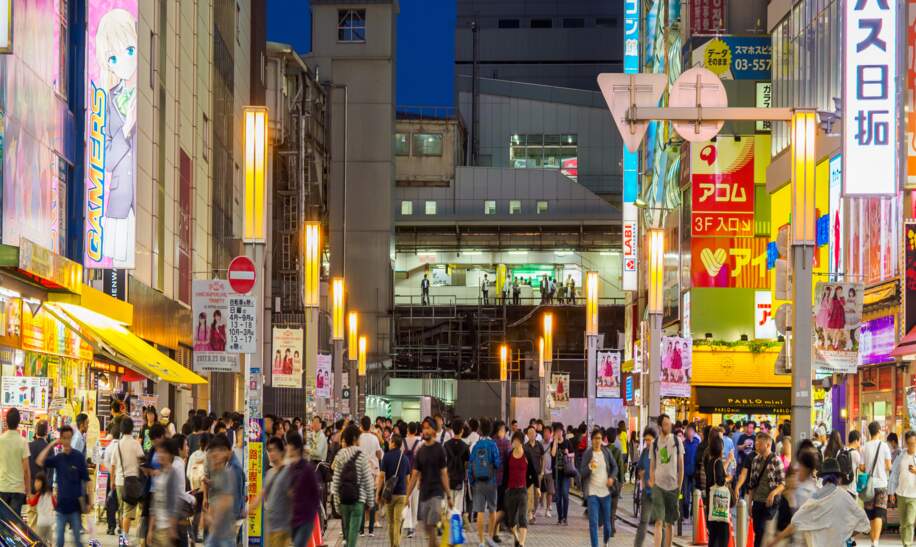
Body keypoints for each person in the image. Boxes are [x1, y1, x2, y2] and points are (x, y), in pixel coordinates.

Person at [765, 457, 870, 547]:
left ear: (823, 478)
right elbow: (864, 522)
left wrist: (775, 541)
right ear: (839, 479)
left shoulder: (815, 498)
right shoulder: (845, 496)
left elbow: (796, 522)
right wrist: (844, 534)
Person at [37, 425, 89, 547]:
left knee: (78, 541)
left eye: (69, 438)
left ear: (72, 438)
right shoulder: (58, 458)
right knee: (59, 541)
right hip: (61, 508)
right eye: (64, 438)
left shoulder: (78, 457)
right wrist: (52, 444)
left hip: (75, 508)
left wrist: (88, 501)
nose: (67, 441)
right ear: (61, 439)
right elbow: (39, 461)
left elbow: (86, 479)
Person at [406, 418, 451, 547]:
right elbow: (414, 475)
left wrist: (448, 495)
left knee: (431, 527)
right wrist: (407, 495)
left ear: (434, 430)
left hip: (436, 493)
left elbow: (444, 473)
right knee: (427, 528)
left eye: (428, 428)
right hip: (424, 494)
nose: (425, 431)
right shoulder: (420, 451)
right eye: (423, 428)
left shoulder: (439, 449)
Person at [332, 424, 375, 547]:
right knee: (353, 532)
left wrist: (336, 502)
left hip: (343, 499)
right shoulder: (361, 455)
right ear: (355, 438)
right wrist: (371, 502)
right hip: (358, 500)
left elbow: (336, 480)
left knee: (347, 530)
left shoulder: (340, 454)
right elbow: (368, 480)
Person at [578, 429, 617, 547]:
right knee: (593, 523)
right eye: (595, 438)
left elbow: (615, 467)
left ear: (602, 440)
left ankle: (605, 542)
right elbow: (582, 473)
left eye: (599, 438)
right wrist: (589, 466)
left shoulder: (606, 452)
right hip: (592, 494)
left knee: (607, 525)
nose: (597, 441)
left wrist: (611, 478)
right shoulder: (587, 454)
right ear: (591, 440)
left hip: (606, 493)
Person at [649, 414, 683, 547]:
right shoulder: (655, 443)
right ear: (660, 426)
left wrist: (679, 486)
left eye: (670, 424)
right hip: (658, 486)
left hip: (673, 486)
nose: (668, 426)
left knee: (669, 523)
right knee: (658, 521)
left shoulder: (676, 441)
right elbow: (652, 465)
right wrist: (652, 482)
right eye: (666, 424)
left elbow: (681, 466)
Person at [746, 432, 785, 547]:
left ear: (768, 445)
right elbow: (752, 484)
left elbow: (783, 483)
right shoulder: (755, 460)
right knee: (758, 532)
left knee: (765, 533)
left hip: (770, 504)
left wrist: (773, 493)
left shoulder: (776, 460)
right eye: (756, 443)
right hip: (757, 502)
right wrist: (749, 503)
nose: (756, 445)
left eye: (759, 443)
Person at [111, 417, 144, 545]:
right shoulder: (136, 444)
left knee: (122, 510)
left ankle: (123, 537)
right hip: (132, 481)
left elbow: (113, 465)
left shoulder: (118, 444)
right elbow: (142, 461)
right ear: (131, 428)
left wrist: (112, 481)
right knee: (128, 512)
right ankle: (123, 540)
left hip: (120, 481)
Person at [469, 418, 501, 547]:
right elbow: (498, 463)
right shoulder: (493, 445)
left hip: (478, 483)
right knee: (492, 510)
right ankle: (490, 538)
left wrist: (472, 481)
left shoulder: (476, 446)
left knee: (480, 512)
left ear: (480, 430)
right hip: (491, 481)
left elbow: (471, 465)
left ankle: (481, 541)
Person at [861, 421, 893, 546]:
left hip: (868, 486)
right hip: (881, 484)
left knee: (870, 514)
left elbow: (862, 467)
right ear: (879, 431)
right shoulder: (884, 446)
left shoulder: (865, 447)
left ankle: (872, 540)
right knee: (879, 513)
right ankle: (876, 541)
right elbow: (889, 466)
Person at [502, 431, 537, 547]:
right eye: (513, 440)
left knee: (523, 517)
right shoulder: (509, 455)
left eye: (517, 440)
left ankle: (522, 543)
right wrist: (504, 489)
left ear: (521, 441)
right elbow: (505, 474)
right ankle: (517, 538)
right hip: (511, 491)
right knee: (511, 521)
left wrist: (537, 487)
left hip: (523, 490)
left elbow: (533, 471)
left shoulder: (527, 454)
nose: (514, 442)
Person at [286, 432, 321, 547]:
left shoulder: (307, 469)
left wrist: (311, 515)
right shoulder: (290, 468)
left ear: (295, 448)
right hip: (292, 519)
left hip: (305, 519)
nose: (286, 448)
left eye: (289, 445)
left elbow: (316, 493)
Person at [203, 434, 238, 547]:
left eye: (216, 452)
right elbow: (216, 498)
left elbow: (227, 500)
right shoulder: (217, 473)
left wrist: (213, 521)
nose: (213, 455)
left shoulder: (229, 473)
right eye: (211, 453)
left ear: (225, 453)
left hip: (224, 536)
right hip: (217, 534)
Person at [378, 434, 411, 547]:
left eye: (390, 441)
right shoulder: (405, 458)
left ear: (393, 443)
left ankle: (394, 545)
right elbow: (408, 479)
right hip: (402, 494)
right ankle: (396, 544)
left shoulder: (386, 457)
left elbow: (381, 476)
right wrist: (408, 496)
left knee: (391, 523)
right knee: (398, 521)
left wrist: (378, 493)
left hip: (389, 495)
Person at [148, 439, 179, 547]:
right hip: (158, 527)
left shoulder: (173, 474)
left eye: (164, 452)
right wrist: (151, 529)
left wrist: (172, 528)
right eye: (159, 452)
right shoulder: (158, 474)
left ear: (170, 455)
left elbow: (174, 502)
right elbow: (154, 503)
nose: (160, 455)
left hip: (167, 528)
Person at [0, 407, 30, 517]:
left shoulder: (1, 440)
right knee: (14, 524)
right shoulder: (22, 442)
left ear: (6, 421)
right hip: (18, 489)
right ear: (19, 421)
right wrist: (28, 490)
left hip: (2, 486)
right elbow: (26, 470)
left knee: (3, 523)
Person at [356, 416, 382, 537]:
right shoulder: (374, 438)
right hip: (372, 472)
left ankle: (361, 530)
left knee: (361, 500)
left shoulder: (358, 438)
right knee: (371, 500)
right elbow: (379, 454)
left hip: (361, 471)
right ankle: (371, 530)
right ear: (370, 425)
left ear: (361, 425)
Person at [890, 430, 916, 547]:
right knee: (903, 524)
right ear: (906, 443)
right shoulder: (901, 456)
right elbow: (894, 475)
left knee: (910, 522)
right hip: (901, 493)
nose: (912, 446)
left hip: (914, 496)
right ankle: (905, 543)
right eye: (910, 443)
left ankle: (908, 544)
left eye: (914, 443)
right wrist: (891, 493)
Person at [703, 432, 729, 547]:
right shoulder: (718, 462)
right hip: (719, 503)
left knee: (713, 536)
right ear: (720, 449)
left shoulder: (710, 462)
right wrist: (728, 478)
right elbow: (720, 481)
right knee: (723, 535)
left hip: (711, 502)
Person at [634, 427, 656, 547]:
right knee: (643, 522)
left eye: (649, 439)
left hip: (658, 494)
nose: (647, 442)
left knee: (660, 524)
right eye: (646, 440)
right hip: (646, 493)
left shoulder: (660, 452)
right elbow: (640, 468)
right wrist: (640, 475)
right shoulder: (644, 452)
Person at [444, 420, 469, 518]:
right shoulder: (465, 446)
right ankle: (456, 526)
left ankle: (448, 527)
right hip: (460, 478)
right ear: (462, 430)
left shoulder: (446, 445)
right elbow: (467, 464)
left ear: (452, 430)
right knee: (458, 506)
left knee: (448, 503)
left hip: (448, 477)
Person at [187, 433, 209, 543]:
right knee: (205, 511)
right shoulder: (209, 456)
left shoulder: (193, 455)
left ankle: (194, 535)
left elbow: (187, 473)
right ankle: (205, 535)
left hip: (195, 487)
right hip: (206, 486)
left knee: (197, 512)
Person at [550, 422, 573, 525]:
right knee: (558, 496)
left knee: (565, 494)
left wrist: (568, 453)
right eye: (556, 431)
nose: (559, 433)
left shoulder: (567, 442)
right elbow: (553, 454)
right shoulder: (553, 443)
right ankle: (560, 518)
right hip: (556, 473)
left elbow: (574, 454)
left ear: (563, 432)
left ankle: (565, 517)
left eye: (560, 431)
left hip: (566, 473)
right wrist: (555, 441)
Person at [523, 426, 544, 524]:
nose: (532, 435)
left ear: (536, 434)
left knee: (537, 495)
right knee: (529, 495)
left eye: (533, 433)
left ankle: (533, 512)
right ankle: (530, 514)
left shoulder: (539, 445)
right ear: (527, 435)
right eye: (530, 433)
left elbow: (542, 458)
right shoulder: (525, 447)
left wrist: (542, 470)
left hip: (538, 474)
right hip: (528, 476)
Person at [27, 472, 55, 544]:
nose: (35, 484)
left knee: (38, 541)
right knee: (50, 542)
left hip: (41, 522)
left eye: (37, 481)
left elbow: (32, 503)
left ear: (42, 483)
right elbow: (55, 505)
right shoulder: (50, 494)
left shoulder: (38, 495)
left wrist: (28, 498)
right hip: (49, 522)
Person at [682, 424, 700, 522]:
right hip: (685, 473)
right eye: (688, 431)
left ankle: (693, 515)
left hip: (694, 473)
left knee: (695, 494)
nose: (689, 432)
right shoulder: (684, 443)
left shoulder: (697, 443)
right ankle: (686, 515)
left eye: (691, 431)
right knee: (685, 495)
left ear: (694, 432)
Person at [539, 427, 554, 519]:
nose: (546, 434)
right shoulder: (539, 444)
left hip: (550, 471)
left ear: (550, 433)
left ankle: (548, 509)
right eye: (544, 432)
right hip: (540, 471)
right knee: (540, 491)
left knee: (550, 491)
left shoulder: (553, 444)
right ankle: (541, 505)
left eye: (548, 432)